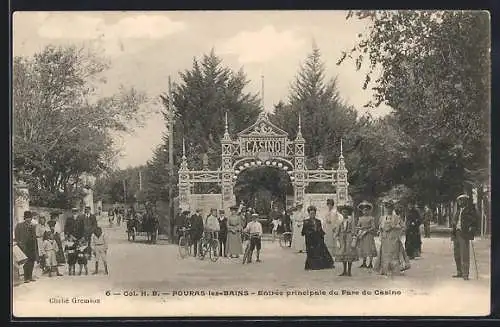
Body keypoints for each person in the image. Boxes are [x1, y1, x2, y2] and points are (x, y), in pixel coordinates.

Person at [374, 200, 410, 277]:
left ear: (392, 208)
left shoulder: (397, 217)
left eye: (390, 208)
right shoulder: (382, 218)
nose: (388, 210)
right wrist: (380, 232)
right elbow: (380, 228)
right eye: (387, 208)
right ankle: (385, 269)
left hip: (394, 239)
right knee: (385, 254)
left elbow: (404, 227)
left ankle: (395, 269)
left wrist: (396, 229)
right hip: (385, 239)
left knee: (394, 254)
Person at [451, 194, 479, 281]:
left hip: (464, 233)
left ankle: (465, 274)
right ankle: (459, 272)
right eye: (458, 201)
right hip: (456, 233)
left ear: (464, 201)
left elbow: (475, 221)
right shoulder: (458, 210)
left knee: (464, 254)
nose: (459, 203)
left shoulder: (470, 210)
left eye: (460, 201)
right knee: (457, 253)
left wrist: (471, 229)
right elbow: (455, 220)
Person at [301, 205, 334, 270]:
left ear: (315, 214)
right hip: (310, 239)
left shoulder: (318, 221)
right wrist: (310, 232)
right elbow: (303, 232)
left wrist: (322, 234)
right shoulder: (306, 221)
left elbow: (320, 230)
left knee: (322, 250)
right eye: (311, 213)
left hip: (318, 238)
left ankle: (322, 265)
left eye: (313, 213)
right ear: (309, 214)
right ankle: (312, 266)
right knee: (311, 252)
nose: (312, 215)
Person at [334, 203, 358, 276]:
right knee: (343, 254)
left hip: (349, 237)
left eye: (346, 212)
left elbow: (353, 231)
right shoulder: (339, 221)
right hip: (342, 238)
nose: (344, 213)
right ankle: (344, 270)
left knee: (349, 253)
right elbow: (337, 231)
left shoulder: (351, 221)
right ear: (341, 213)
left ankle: (349, 271)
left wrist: (354, 239)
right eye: (343, 212)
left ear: (348, 213)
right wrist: (337, 238)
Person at [14, 211, 38, 283]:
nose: (29, 219)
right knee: (26, 262)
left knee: (32, 261)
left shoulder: (33, 226)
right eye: (27, 218)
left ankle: (30, 277)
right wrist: (19, 243)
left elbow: (34, 236)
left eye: (30, 218)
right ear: (25, 218)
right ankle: (26, 278)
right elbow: (16, 236)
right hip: (24, 246)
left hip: (32, 246)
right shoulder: (19, 225)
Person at [356, 201, 378, 269]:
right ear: (362, 211)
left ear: (369, 211)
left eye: (366, 210)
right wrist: (359, 230)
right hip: (362, 235)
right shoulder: (360, 218)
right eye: (363, 210)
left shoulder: (371, 218)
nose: (365, 212)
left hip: (368, 235)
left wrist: (367, 230)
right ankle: (364, 262)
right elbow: (358, 226)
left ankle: (370, 263)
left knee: (369, 249)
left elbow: (373, 227)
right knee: (363, 249)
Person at [323, 199, 340, 263]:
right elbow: (325, 220)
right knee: (327, 240)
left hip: (333, 227)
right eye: (328, 204)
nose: (329, 206)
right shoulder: (327, 212)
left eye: (330, 204)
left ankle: (334, 253)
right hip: (327, 228)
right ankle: (328, 254)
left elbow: (337, 220)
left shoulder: (335, 212)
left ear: (332, 205)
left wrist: (335, 226)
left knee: (333, 239)